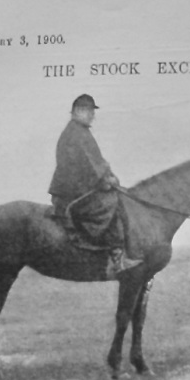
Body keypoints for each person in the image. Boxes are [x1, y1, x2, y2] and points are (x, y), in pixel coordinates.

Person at [48, 93, 128, 260]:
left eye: (92, 112)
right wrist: (106, 181)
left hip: (77, 187)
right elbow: (88, 166)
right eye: (89, 111)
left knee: (116, 196)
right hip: (72, 192)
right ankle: (114, 250)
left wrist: (109, 176)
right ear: (78, 111)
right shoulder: (76, 134)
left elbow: (98, 162)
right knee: (113, 201)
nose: (92, 116)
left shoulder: (80, 132)